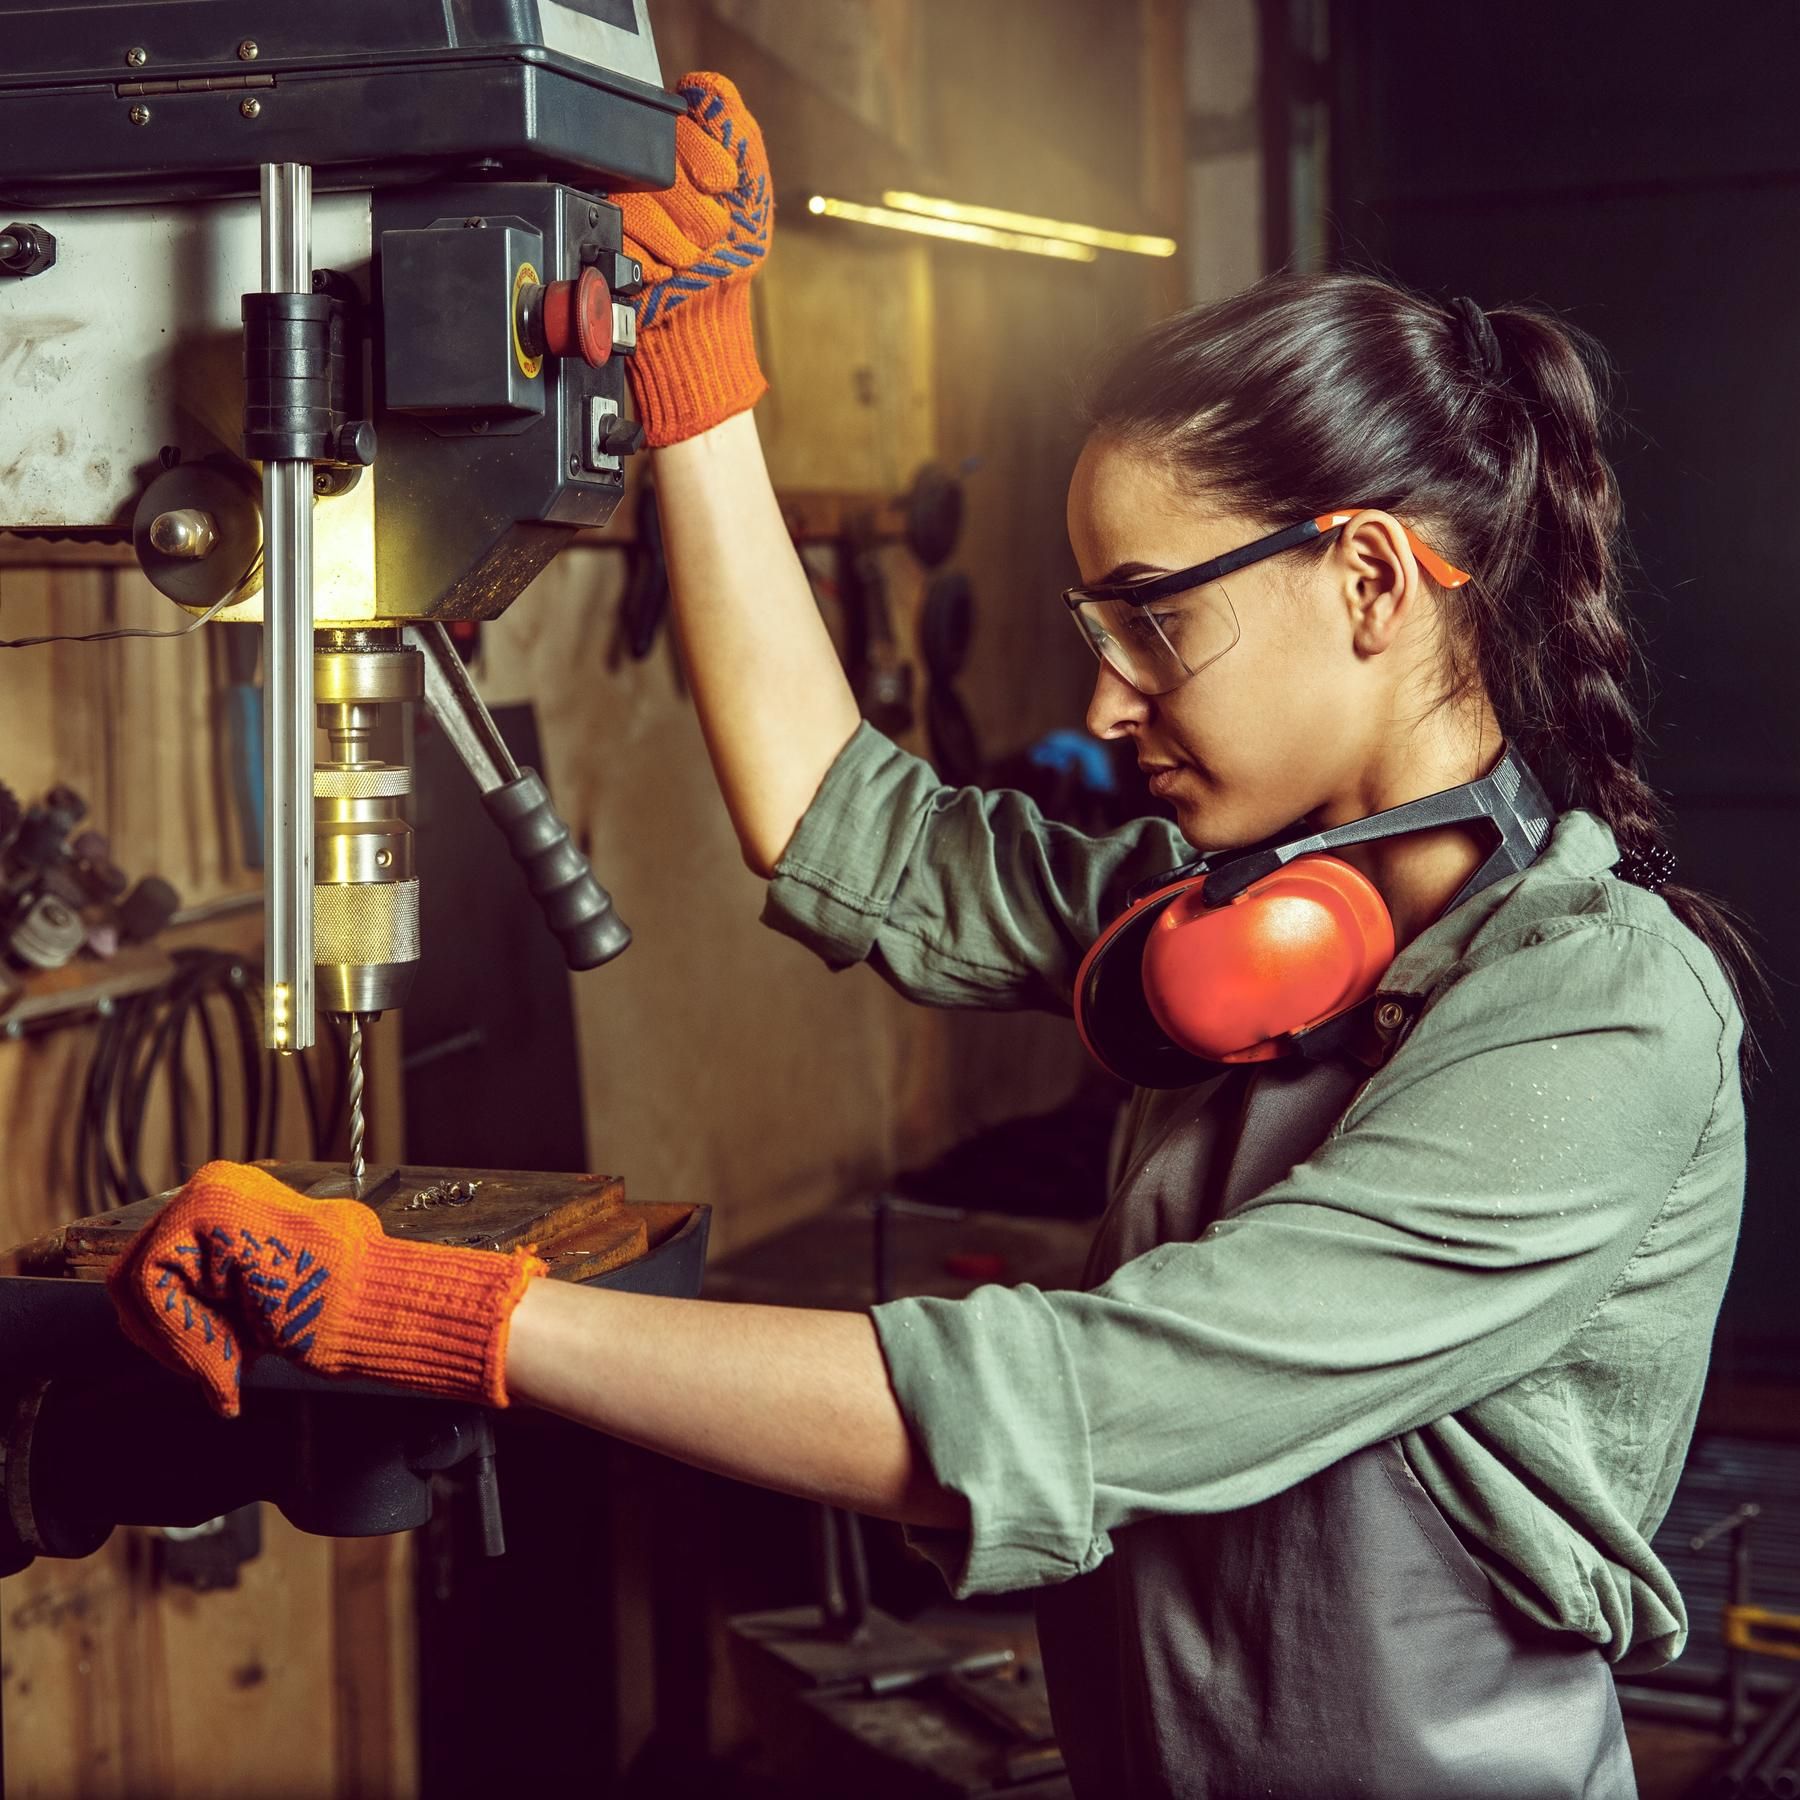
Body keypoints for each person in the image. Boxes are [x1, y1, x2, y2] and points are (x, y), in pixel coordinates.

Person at [109, 75, 1756, 1799]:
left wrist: (439, 1313)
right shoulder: (1226, 920)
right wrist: (695, 372)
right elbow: (845, 822)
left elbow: (1084, 1405)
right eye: (1090, 623)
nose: (1104, 698)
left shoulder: (1603, 1014)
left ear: (1365, 581)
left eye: (1155, 621)